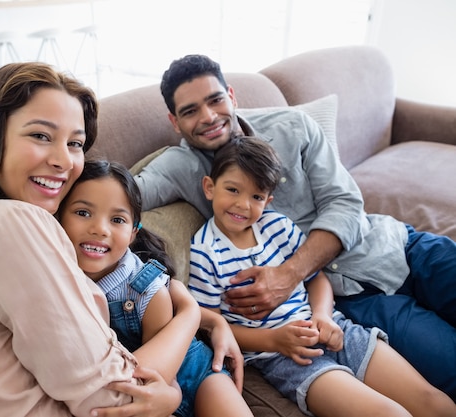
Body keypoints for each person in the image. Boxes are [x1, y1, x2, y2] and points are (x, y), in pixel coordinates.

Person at [0, 62, 236, 417]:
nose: (63, 161)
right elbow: (119, 397)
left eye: (75, 143)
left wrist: (207, 319)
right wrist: (189, 318)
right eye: (41, 135)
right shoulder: (12, 223)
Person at [133, 53, 456, 400]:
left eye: (215, 100)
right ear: (174, 121)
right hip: (355, 296)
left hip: (393, 243)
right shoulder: (180, 166)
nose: (209, 116)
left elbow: (345, 202)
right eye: (190, 110)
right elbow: (127, 191)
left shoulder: (292, 126)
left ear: (231, 95)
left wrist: (288, 275)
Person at [188, 135, 456, 416]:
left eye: (255, 196)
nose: (243, 205)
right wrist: (275, 340)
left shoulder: (278, 226)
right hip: (282, 357)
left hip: (332, 329)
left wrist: (323, 315)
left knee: (435, 403)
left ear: (268, 200)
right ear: (209, 187)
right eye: (233, 190)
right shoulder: (205, 252)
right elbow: (211, 325)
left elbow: (316, 278)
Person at [58, 159, 252, 417]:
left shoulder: (147, 291)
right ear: (58, 217)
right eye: (83, 213)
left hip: (196, 373)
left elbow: (158, 373)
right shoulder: (57, 278)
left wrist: (173, 395)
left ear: (133, 233)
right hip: (151, 390)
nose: (99, 229)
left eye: (117, 219)